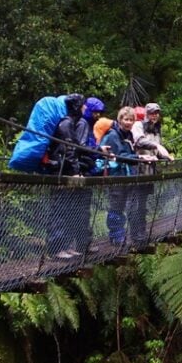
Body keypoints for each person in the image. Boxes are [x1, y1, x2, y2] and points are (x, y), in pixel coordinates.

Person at [101, 106, 156, 246]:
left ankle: (128, 235)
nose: (128, 122)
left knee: (130, 207)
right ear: (120, 120)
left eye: (131, 120)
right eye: (126, 119)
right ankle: (116, 237)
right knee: (116, 207)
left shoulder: (128, 135)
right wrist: (139, 157)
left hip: (128, 176)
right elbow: (120, 156)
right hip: (117, 177)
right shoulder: (113, 135)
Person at [43, 93, 86, 259]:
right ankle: (55, 250)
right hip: (61, 172)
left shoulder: (69, 122)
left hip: (64, 170)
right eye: (82, 105)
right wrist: (76, 171)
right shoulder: (66, 123)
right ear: (76, 106)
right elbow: (68, 150)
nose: (85, 108)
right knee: (60, 210)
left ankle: (65, 247)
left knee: (67, 210)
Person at [130, 103, 174, 248]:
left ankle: (141, 233)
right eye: (152, 113)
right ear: (146, 113)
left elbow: (156, 150)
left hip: (150, 172)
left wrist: (165, 157)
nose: (154, 115)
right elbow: (140, 141)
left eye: (156, 113)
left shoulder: (156, 129)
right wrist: (157, 147)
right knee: (136, 203)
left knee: (143, 204)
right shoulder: (138, 125)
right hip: (137, 171)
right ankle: (135, 235)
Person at [74, 96, 106, 254]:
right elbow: (81, 148)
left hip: (86, 171)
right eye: (95, 112)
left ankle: (83, 244)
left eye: (99, 113)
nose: (97, 116)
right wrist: (99, 151)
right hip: (81, 172)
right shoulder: (83, 124)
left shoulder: (88, 125)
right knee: (81, 210)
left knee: (83, 209)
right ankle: (82, 245)